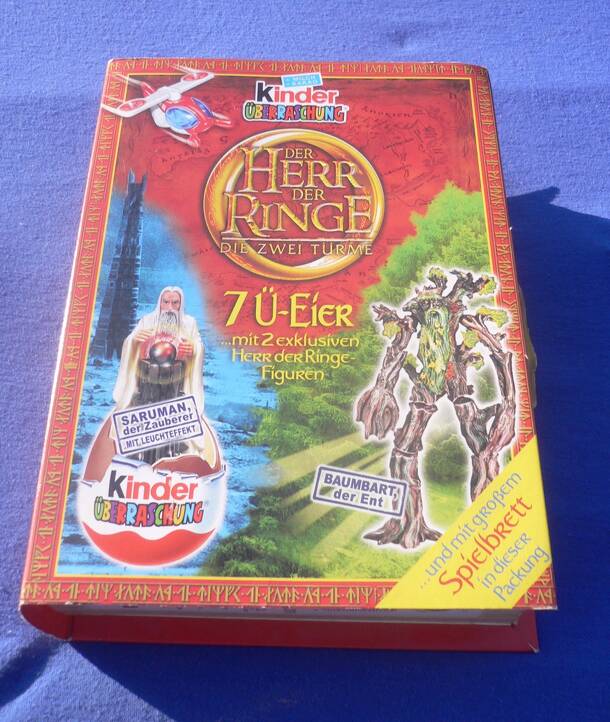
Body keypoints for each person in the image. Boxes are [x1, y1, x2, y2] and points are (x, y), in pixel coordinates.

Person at [84, 287, 220, 480]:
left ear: (181, 304)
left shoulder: (189, 323)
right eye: (166, 302)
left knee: (172, 434)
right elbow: (131, 341)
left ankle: (168, 465)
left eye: (175, 303)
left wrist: (194, 349)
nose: (170, 308)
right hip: (146, 385)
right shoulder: (147, 321)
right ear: (160, 303)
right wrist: (133, 341)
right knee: (140, 429)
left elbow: (198, 345)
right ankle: (136, 465)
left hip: (176, 386)